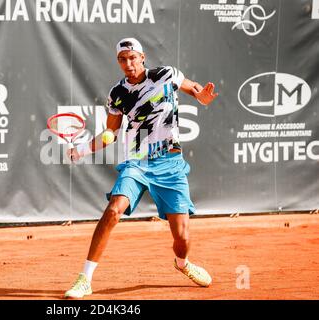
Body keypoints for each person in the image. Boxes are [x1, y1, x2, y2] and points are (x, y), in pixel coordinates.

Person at [64, 38, 218, 299]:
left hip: (170, 163)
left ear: (142, 57)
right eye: (123, 59)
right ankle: (85, 279)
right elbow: (110, 132)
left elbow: (191, 87)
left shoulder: (165, 75)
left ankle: (182, 264)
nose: (129, 63)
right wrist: (80, 150)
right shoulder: (117, 93)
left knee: (182, 237)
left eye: (133, 57)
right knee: (114, 210)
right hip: (137, 162)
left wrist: (201, 96)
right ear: (118, 62)